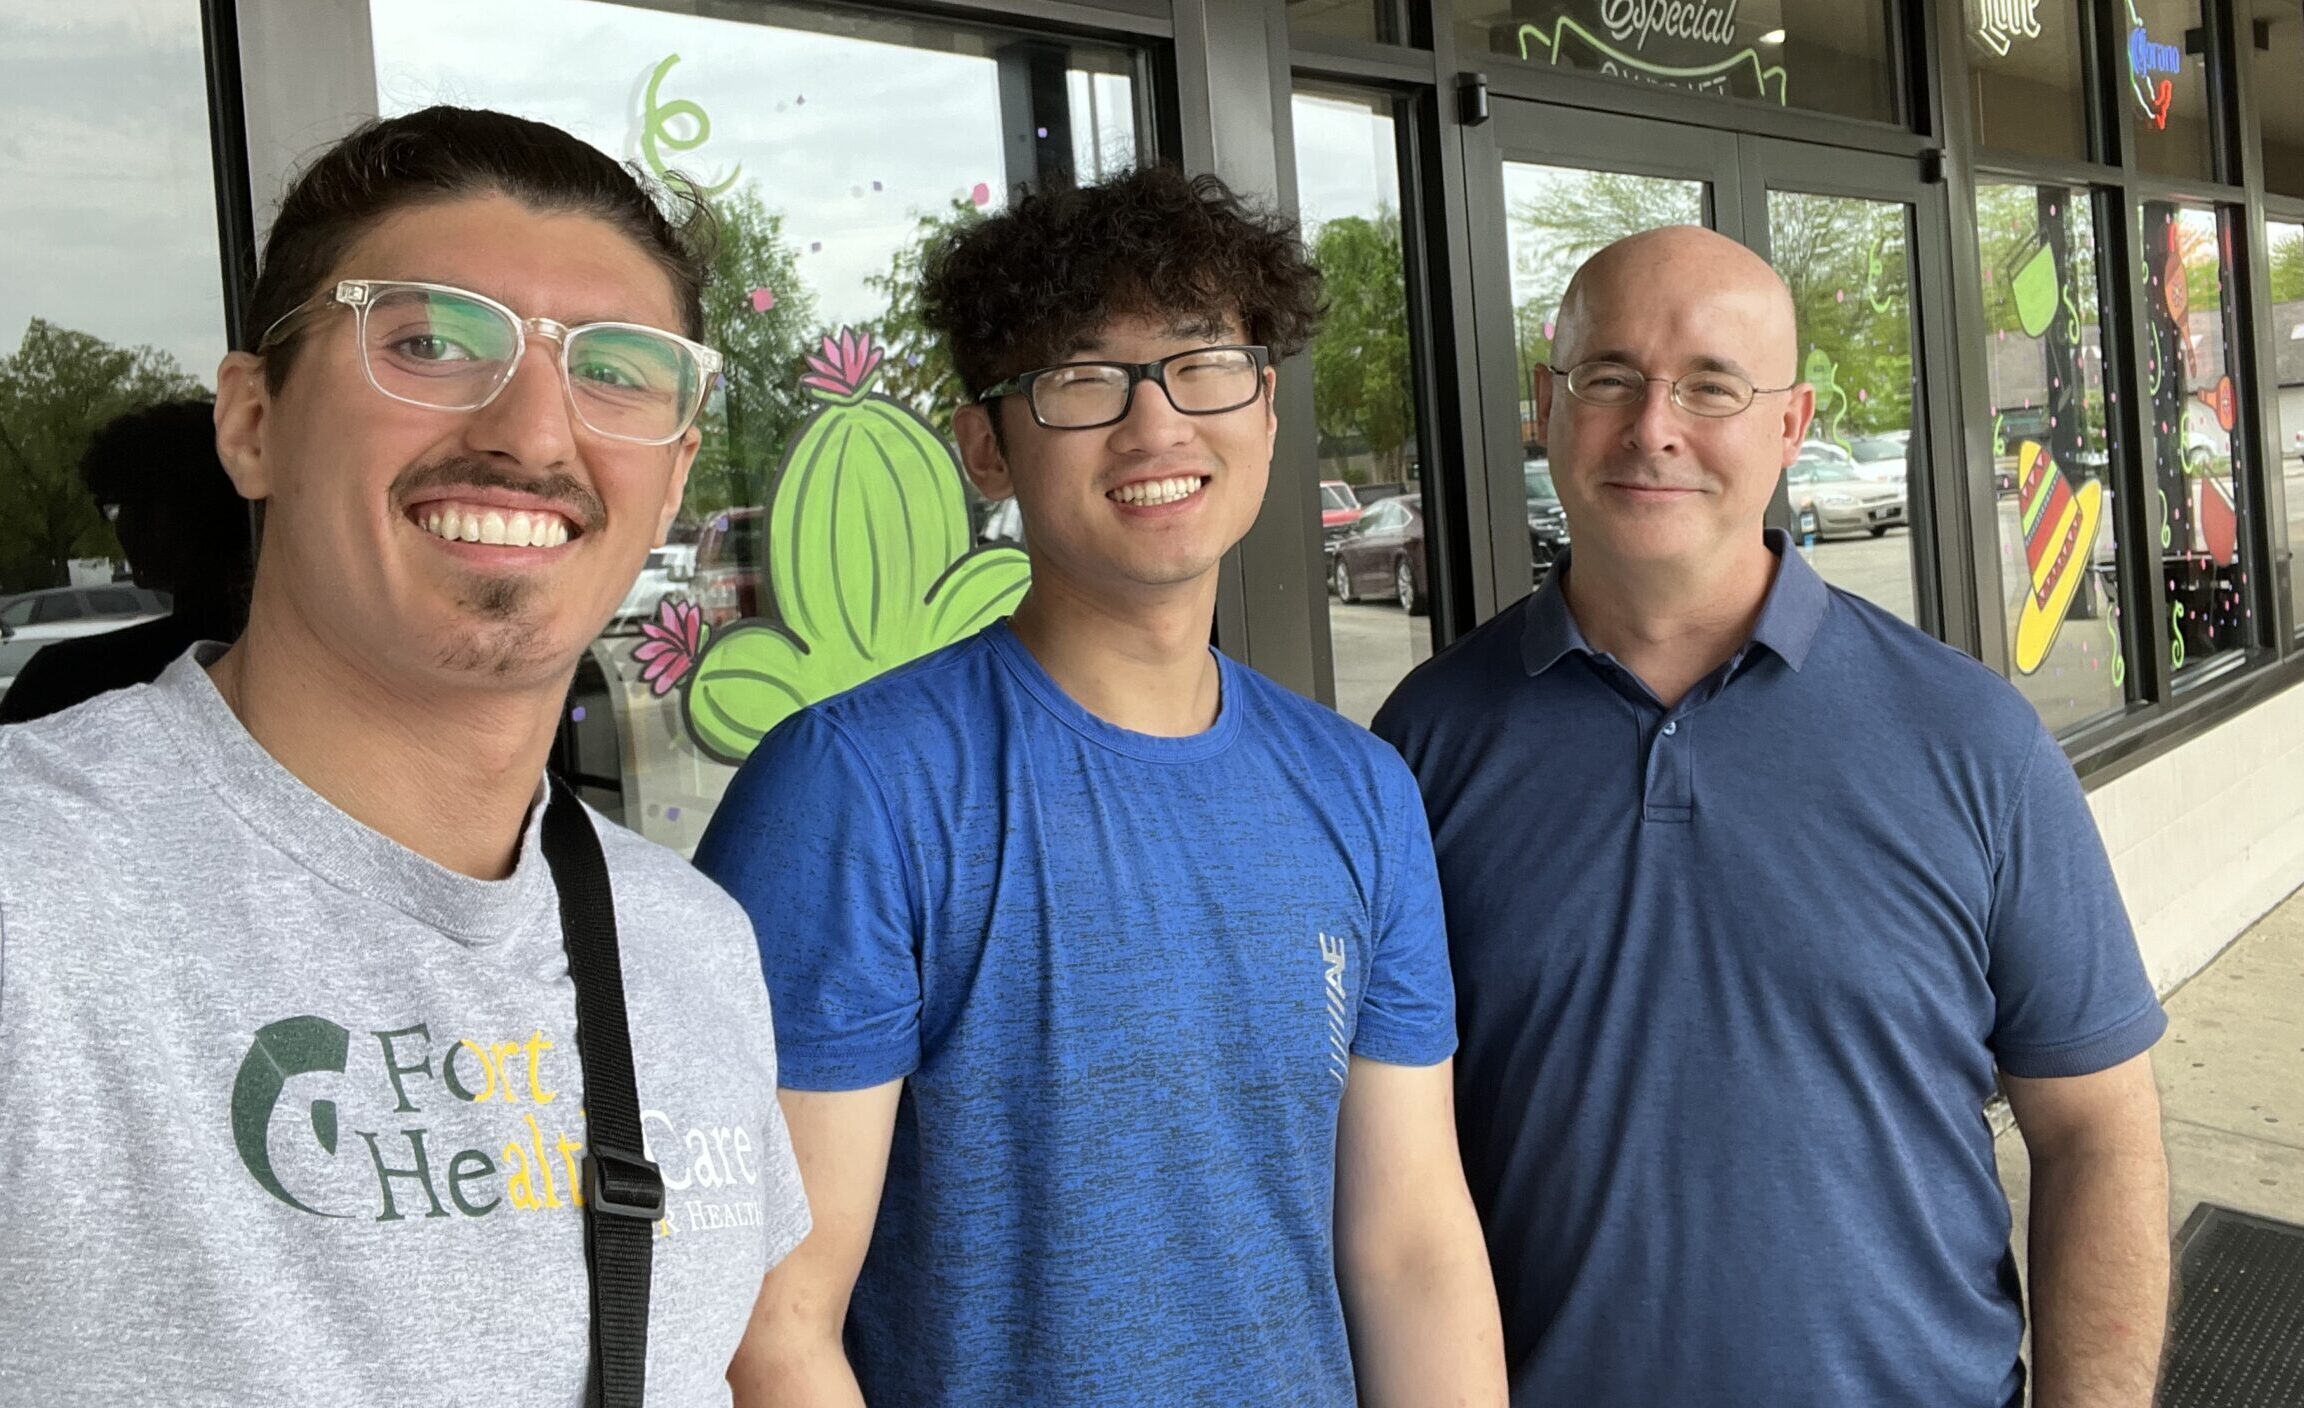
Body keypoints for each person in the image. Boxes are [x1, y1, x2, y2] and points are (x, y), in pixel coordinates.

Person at [0, 107, 809, 1403]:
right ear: (251, 424)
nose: (536, 434)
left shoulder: (693, 944)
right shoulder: (30, 901)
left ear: (673, 479)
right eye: (430, 341)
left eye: (615, 370)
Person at [698, 165, 1505, 1407]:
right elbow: (770, 1318)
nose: (1158, 426)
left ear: (1267, 408)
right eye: (1084, 379)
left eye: (1202, 364)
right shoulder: (855, 791)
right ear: (986, 444)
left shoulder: (1362, 793)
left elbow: (1410, 1246)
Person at [1374, 225, 2170, 1408]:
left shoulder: (1970, 742)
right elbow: (1383, 1178)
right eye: (1609, 378)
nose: (1655, 425)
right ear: (1548, 408)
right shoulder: (1424, 746)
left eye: (1711, 385)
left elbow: (2098, 1131)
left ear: (1791, 427)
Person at [0, 398, 255, 723]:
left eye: (120, 507)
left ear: (168, 512)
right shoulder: (291, 664)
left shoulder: (69, 678)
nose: (121, 528)